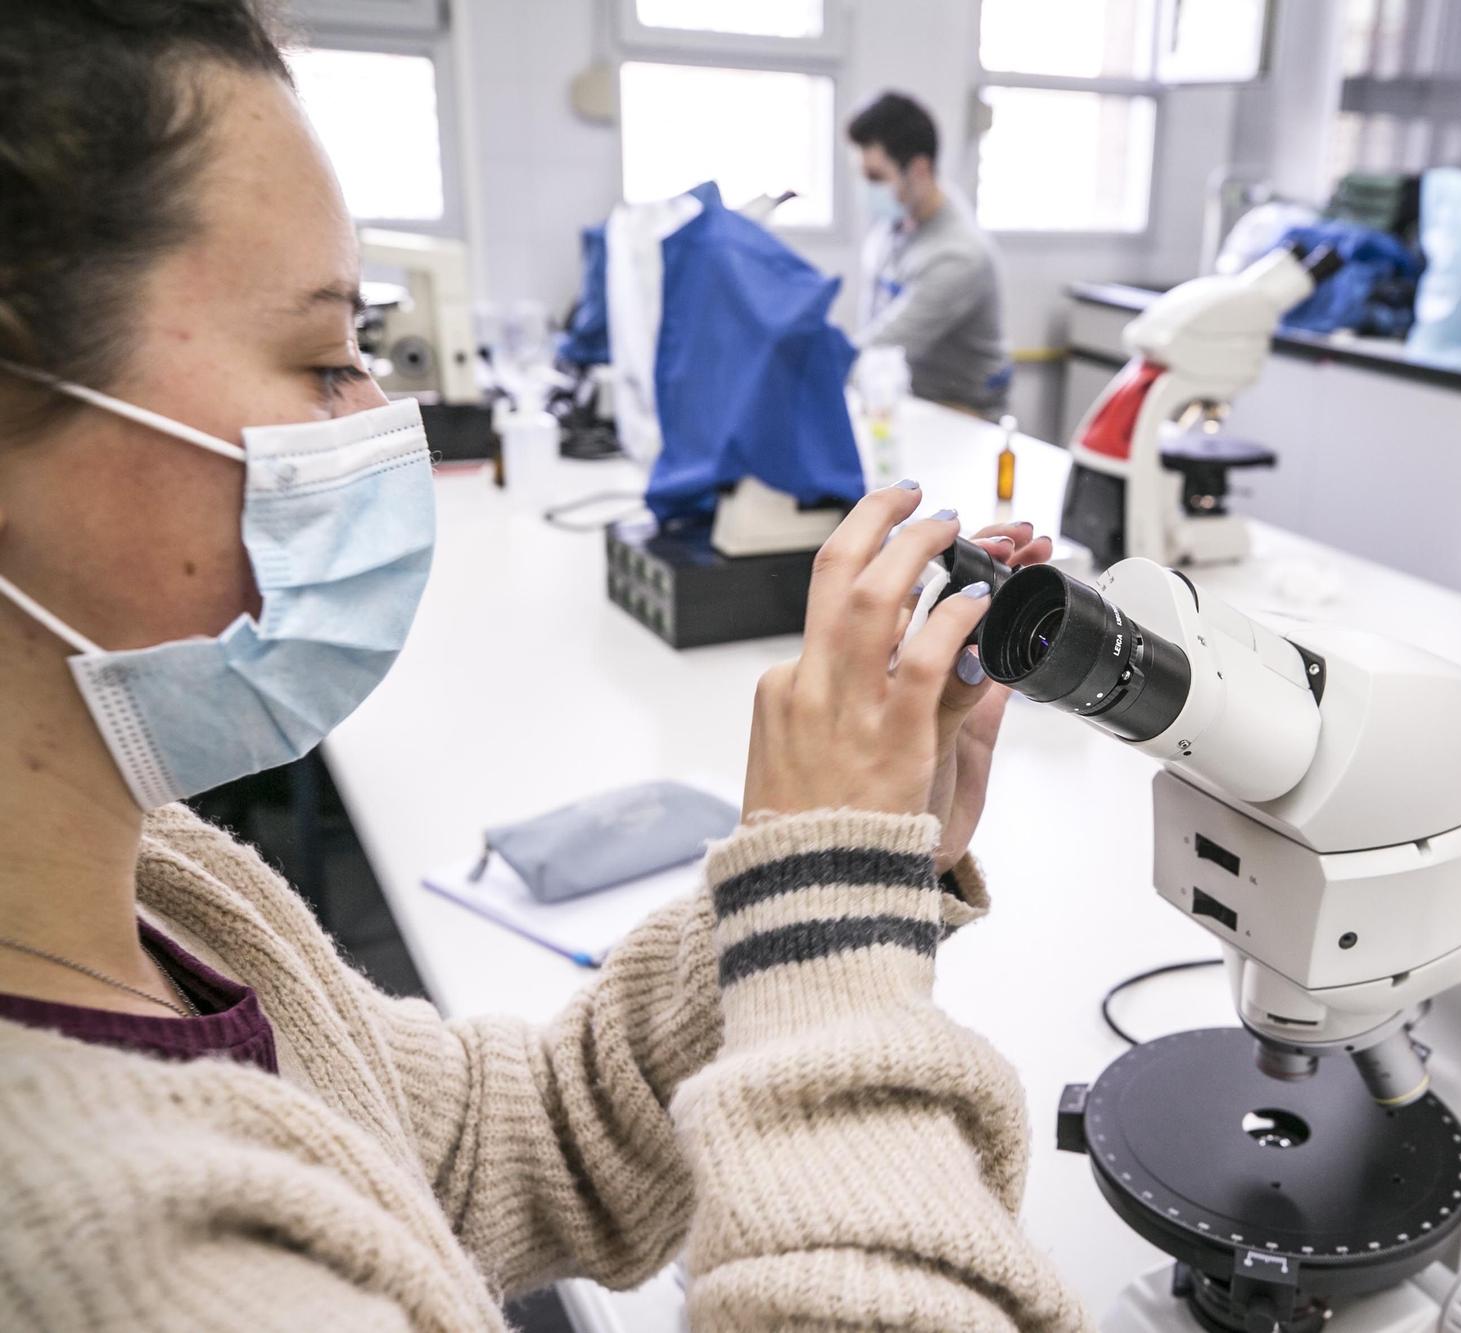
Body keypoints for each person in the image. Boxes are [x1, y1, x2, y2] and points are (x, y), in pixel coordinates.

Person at [0, 3, 1091, 1328]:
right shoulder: (131, 1267)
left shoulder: (157, 887)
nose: (383, 421)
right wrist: (830, 926)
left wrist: (832, 879)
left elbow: (505, 1141)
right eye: (326, 358)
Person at [848, 90, 1013, 419]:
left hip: (963, 414)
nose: (867, 188)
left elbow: (886, 344)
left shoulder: (958, 255)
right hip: (907, 400)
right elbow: (871, 327)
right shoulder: (891, 226)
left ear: (919, 169)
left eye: (876, 177)